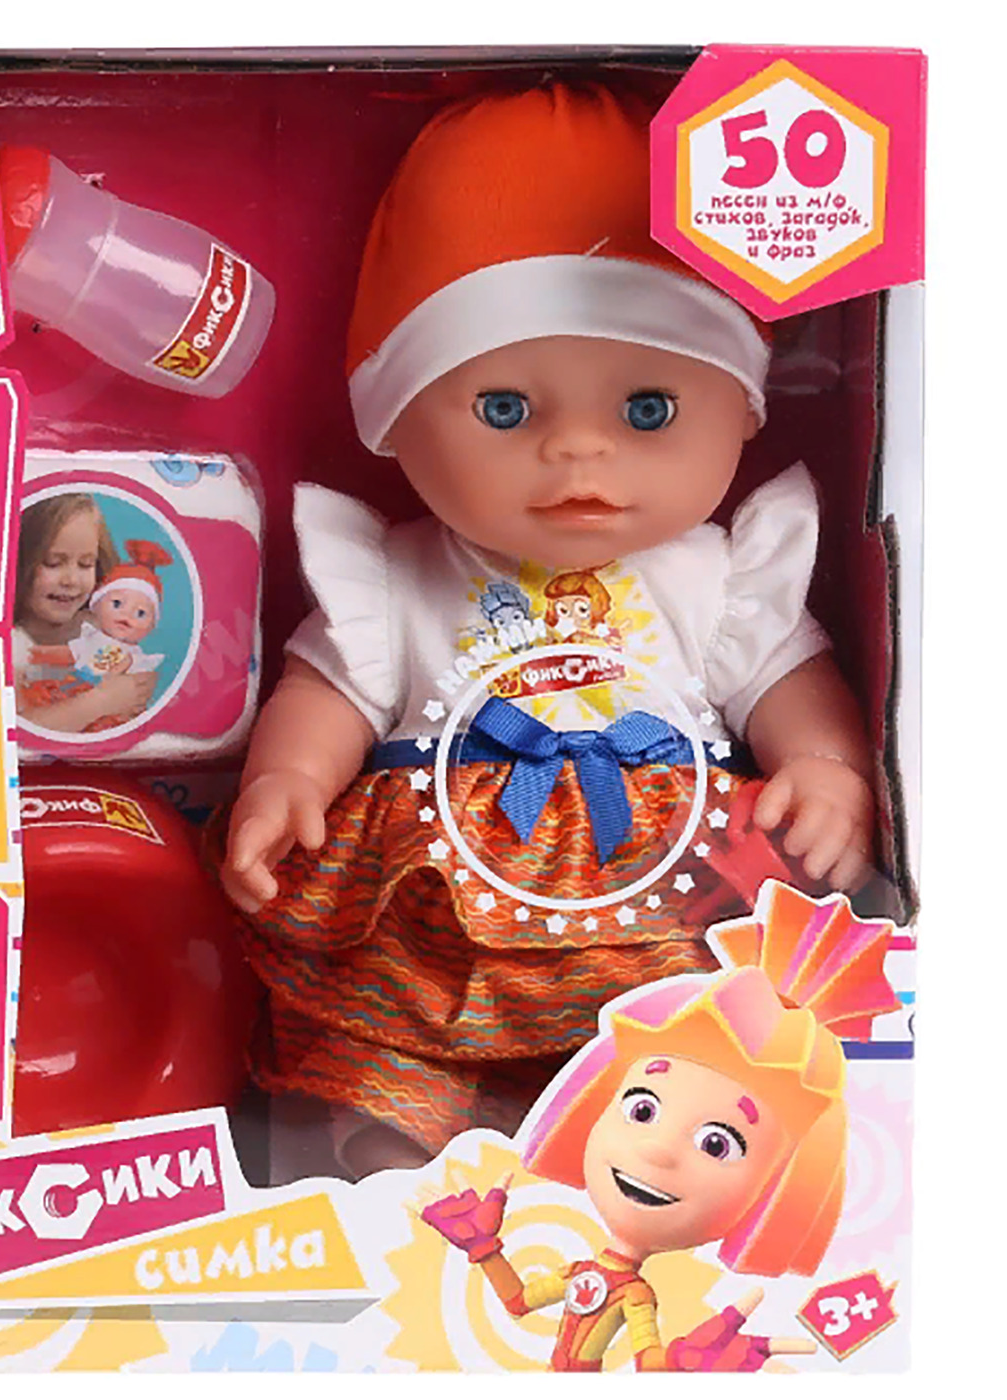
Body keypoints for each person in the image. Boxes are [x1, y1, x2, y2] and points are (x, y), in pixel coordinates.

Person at [218, 80, 877, 1177]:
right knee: (385, 1063)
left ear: (743, 413)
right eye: (505, 409)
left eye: (647, 409)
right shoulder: (397, 575)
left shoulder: (715, 577)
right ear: (396, 421)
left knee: (685, 1070)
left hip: (660, 911)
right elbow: (327, 693)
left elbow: (788, 682)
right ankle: (397, 1179)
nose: (577, 451)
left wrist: (826, 769)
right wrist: (286, 782)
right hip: (434, 926)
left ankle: (626, 1191)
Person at [421, 880, 897, 1372]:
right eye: (642, 1110)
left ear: (777, 1187)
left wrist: (696, 1360)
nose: (658, 1150)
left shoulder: (635, 1296)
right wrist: (482, 1246)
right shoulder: (579, 1274)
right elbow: (518, 1302)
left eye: (717, 1144)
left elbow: (649, 1363)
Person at [13, 494, 158, 732]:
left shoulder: (101, 629)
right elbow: (17, 732)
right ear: (17, 562)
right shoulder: (10, 644)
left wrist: (136, 688)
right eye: (53, 563)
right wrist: (100, 702)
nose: (71, 580)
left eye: (85, 564)